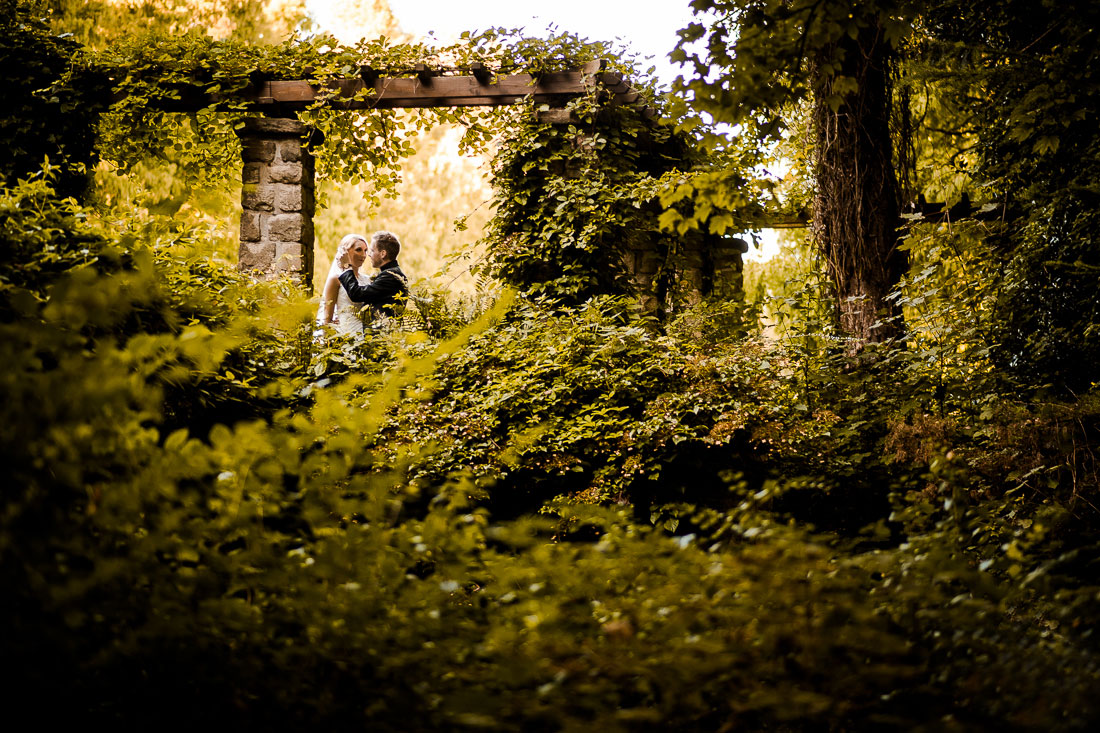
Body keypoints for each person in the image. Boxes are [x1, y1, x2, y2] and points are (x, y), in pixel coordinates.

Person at [338, 230, 409, 325]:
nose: (369, 255)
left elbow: (357, 294)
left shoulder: (390, 276)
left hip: (383, 336)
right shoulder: (391, 273)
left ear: (383, 254)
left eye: (372, 250)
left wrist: (347, 267)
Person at [318, 233, 371, 335]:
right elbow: (327, 318)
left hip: (367, 336)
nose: (364, 255)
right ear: (345, 251)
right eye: (358, 250)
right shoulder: (336, 279)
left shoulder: (368, 280)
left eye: (365, 251)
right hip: (345, 336)